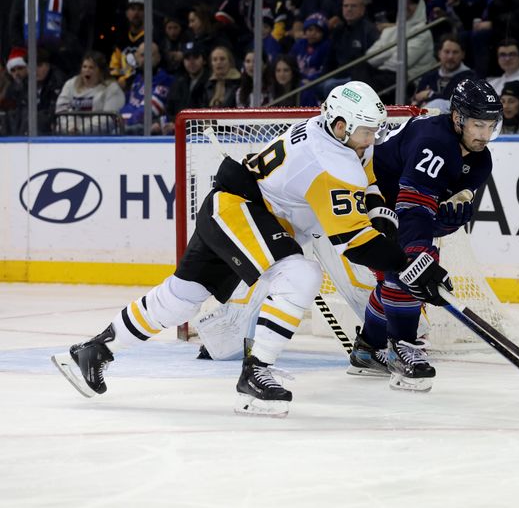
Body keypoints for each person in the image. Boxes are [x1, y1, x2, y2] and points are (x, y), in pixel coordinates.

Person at [52, 80, 453, 417]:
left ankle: (92, 350)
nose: (374, 138)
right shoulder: (331, 162)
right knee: (301, 273)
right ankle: (256, 371)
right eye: (368, 130)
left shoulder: (338, 139)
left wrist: (383, 221)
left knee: (183, 297)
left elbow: (365, 186)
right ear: (341, 123)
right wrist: (411, 264)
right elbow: (355, 244)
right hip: (242, 211)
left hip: (234, 209)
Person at [349, 78, 501, 392]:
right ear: (458, 118)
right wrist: (419, 252)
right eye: (477, 125)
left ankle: (367, 349)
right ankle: (403, 348)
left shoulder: (481, 160)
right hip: (362, 196)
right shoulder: (435, 140)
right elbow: (413, 207)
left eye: (490, 126)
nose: (484, 135)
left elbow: (429, 214)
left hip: (396, 208)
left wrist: (445, 223)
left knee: (403, 271)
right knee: (407, 268)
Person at [54, 51, 125, 135]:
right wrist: (70, 128)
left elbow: (109, 119)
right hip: (70, 134)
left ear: (100, 71)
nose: (87, 70)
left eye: (91, 68)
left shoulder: (112, 88)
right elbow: (61, 110)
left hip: (100, 138)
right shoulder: (71, 84)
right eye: (84, 67)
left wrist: (82, 130)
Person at [157, 42, 210, 135]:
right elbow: (168, 111)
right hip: (177, 135)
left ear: (204, 60)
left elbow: (206, 116)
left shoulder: (210, 83)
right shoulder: (178, 83)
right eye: (187, 58)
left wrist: (179, 125)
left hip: (202, 137)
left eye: (195, 57)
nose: (191, 62)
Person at [412, 34, 476, 111]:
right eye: (446, 52)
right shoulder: (428, 77)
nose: (450, 56)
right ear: (439, 53)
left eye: (455, 52)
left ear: (462, 54)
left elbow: (457, 102)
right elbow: (416, 99)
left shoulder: (470, 78)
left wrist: (430, 94)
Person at [109, 0, 146, 89]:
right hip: (122, 89)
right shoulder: (121, 39)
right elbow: (114, 66)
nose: (136, 13)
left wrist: (128, 81)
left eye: (140, 9)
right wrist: (116, 80)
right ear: (127, 13)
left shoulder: (151, 38)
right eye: (133, 9)